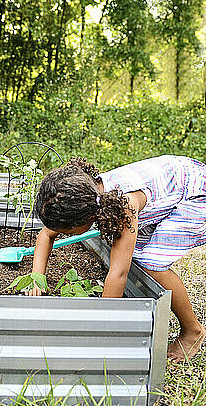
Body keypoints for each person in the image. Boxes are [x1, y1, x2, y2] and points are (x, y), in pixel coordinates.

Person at [30, 155, 206, 362]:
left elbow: (118, 274)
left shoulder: (123, 207)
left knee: (151, 263)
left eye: (66, 232)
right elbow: (46, 234)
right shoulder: (82, 193)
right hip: (172, 180)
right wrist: (36, 277)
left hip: (195, 193)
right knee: (131, 251)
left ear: (85, 219)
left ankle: (192, 330)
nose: (62, 234)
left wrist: (101, 329)